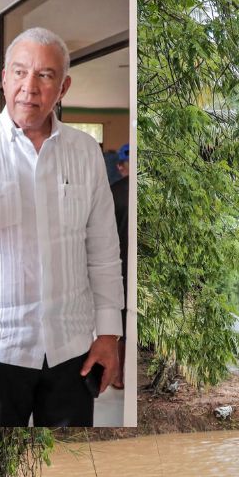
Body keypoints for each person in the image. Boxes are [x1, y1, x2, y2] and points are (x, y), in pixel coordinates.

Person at [0, 27, 123, 427]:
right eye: (20, 72)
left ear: (63, 86)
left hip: (73, 351)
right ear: (4, 77)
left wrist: (109, 335)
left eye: (45, 75)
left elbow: (103, 251)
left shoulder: (85, 152)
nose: (30, 87)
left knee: (71, 464)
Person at [110, 143, 129, 389]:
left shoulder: (112, 192)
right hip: (125, 266)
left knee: (120, 322)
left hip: (119, 266)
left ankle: (118, 376)